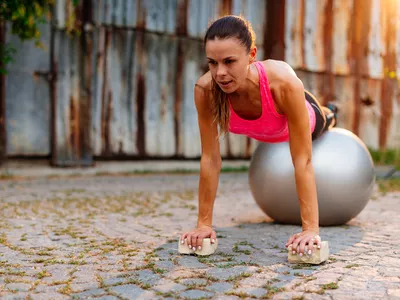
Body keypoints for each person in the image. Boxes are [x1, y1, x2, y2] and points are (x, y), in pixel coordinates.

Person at [180, 15, 338, 257]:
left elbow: (302, 160)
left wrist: (310, 230)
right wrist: (203, 225)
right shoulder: (206, 91)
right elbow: (210, 159)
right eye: (212, 63)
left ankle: (332, 111)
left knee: (324, 119)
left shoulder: (283, 83)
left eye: (229, 61)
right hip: (266, 131)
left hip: (302, 116)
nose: (220, 73)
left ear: (252, 55)